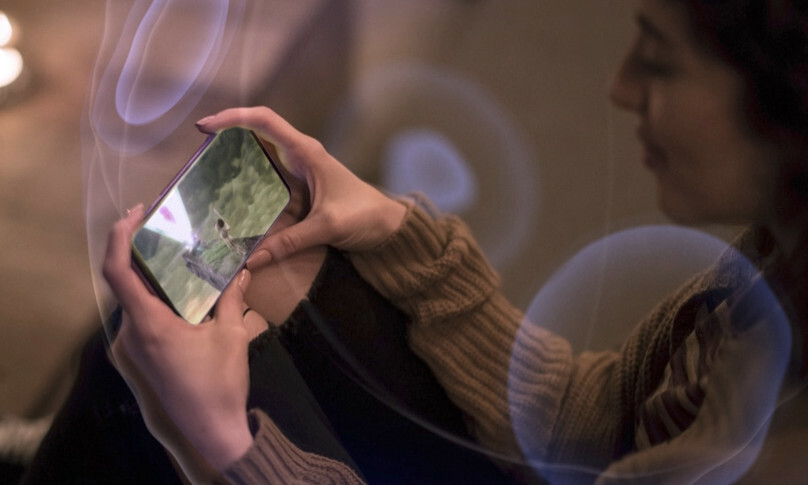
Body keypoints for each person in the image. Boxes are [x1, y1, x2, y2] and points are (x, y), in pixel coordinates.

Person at [101, 0, 808, 482]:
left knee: (157, 360)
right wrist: (398, 235)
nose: (620, 87)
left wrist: (223, 446)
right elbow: (588, 424)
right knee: (245, 268)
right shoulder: (780, 256)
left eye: (658, 61)